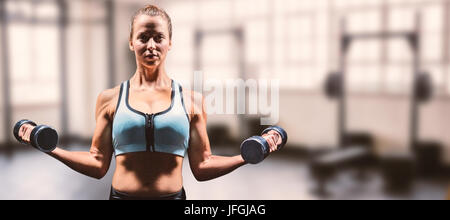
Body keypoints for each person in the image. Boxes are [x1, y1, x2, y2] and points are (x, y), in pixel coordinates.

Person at [45, 4, 281, 200]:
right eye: (143, 37)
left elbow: (202, 166)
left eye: (159, 38)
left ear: (170, 43)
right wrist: (51, 148)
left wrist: (245, 157)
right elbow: (97, 162)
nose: (151, 45)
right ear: (131, 42)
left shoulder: (192, 101)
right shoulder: (110, 99)